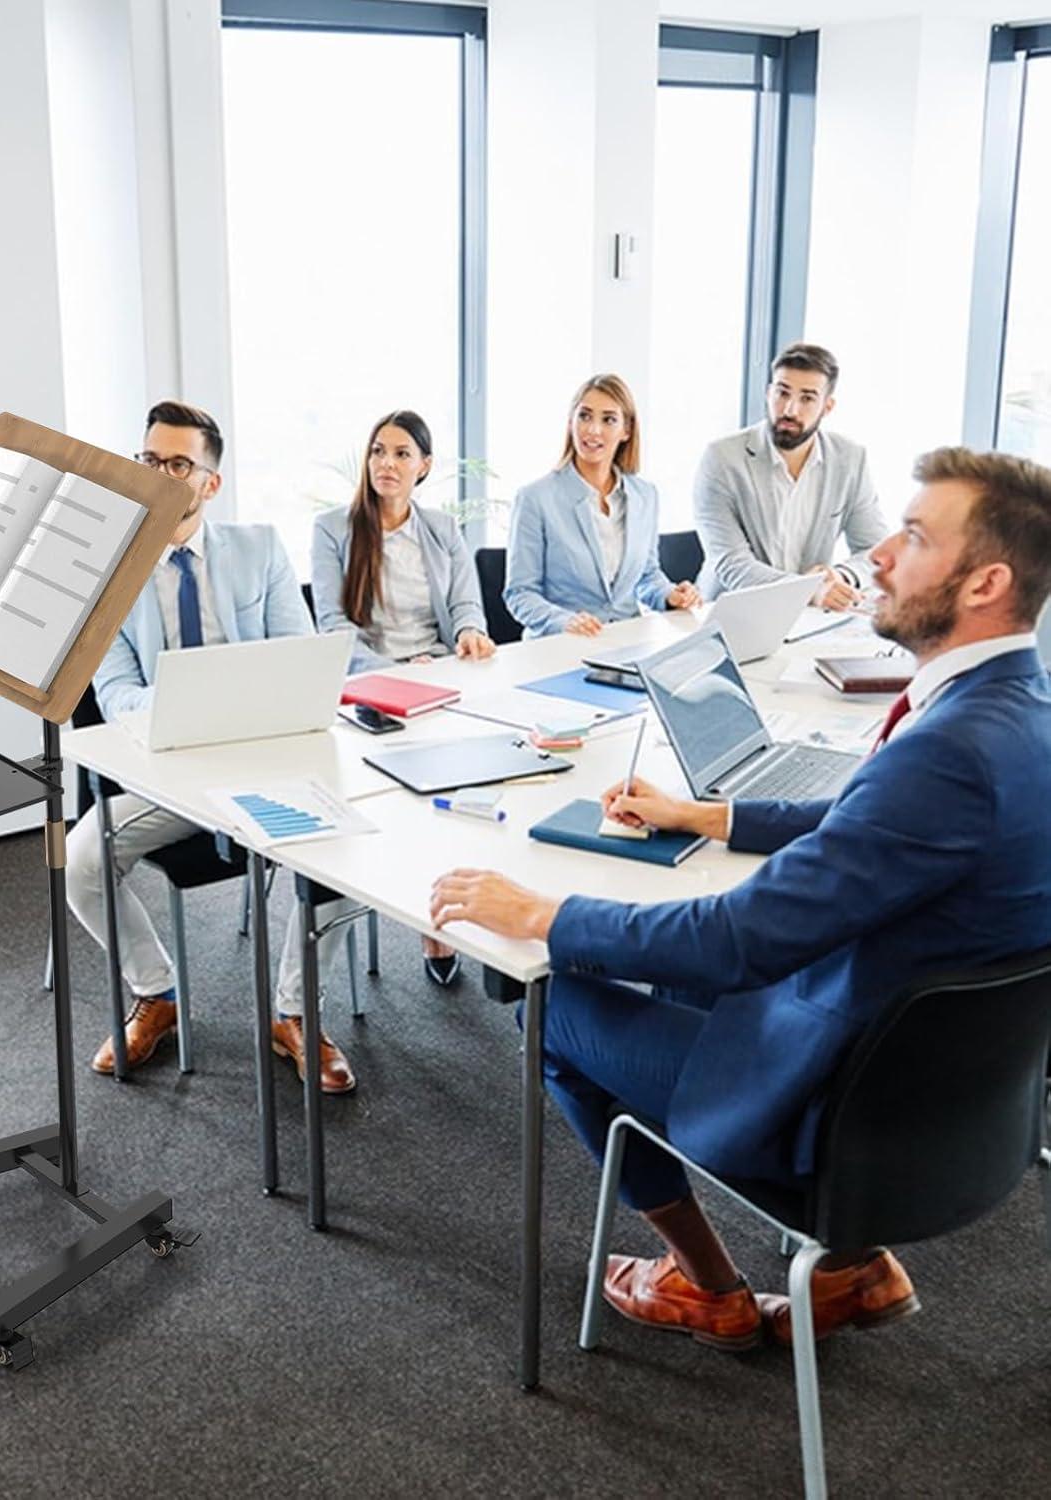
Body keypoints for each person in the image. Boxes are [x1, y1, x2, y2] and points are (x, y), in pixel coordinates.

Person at [431, 447, 1051, 1350]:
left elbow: (738, 940)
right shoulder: (1018, 711)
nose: (877, 554)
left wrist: (544, 918)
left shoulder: (949, 754)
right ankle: (852, 1265)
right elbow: (862, 813)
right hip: (946, 1099)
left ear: (986, 582)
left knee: (555, 1005)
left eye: (912, 537)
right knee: (671, 978)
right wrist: (705, 815)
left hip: (842, 1104)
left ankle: (703, 1284)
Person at [66, 401, 360, 1092]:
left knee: (359, 848)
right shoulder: (117, 570)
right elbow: (114, 693)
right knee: (80, 857)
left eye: (177, 464)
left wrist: (239, 707)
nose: (160, 477)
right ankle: (157, 993)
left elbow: (299, 658)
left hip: (268, 761)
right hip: (170, 770)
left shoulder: (257, 549)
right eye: (148, 461)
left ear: (209, 483)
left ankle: (293, 1011)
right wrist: (187, 707)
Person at [311, 408, 494, 985]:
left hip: (439, 680)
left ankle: (445, 913)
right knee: (415, 788)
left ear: (425, 467)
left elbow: (467, 602)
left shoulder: (441, 529)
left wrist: (467, 632)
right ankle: (425, 917)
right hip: (367, 690)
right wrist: (392, 671)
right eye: (377, 452)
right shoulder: (333, 530)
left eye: (400, 454)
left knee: (468, 783)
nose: (385, 464)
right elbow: (330, 627)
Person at [694, 341, 890, 608]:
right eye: (782, 393)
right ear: (768, 393)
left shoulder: (850, 460)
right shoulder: (722, 458)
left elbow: (876, 551)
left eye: (807, 398)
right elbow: (731, 564)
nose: (790, 410)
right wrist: (807, 591)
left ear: (827, 407)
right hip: (729, 614)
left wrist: (841, 577)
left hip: (808, 619)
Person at [504, 374, 701, 638]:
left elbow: (647, 575)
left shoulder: (645, 496)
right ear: (571, 421)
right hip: (559, 646)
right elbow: (520, 593)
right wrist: (564, 621)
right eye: (584, 416)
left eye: (608, 420)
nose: (593, 430)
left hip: (626, 643)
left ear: (626, 430)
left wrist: (670, 595)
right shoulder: (535, 498)